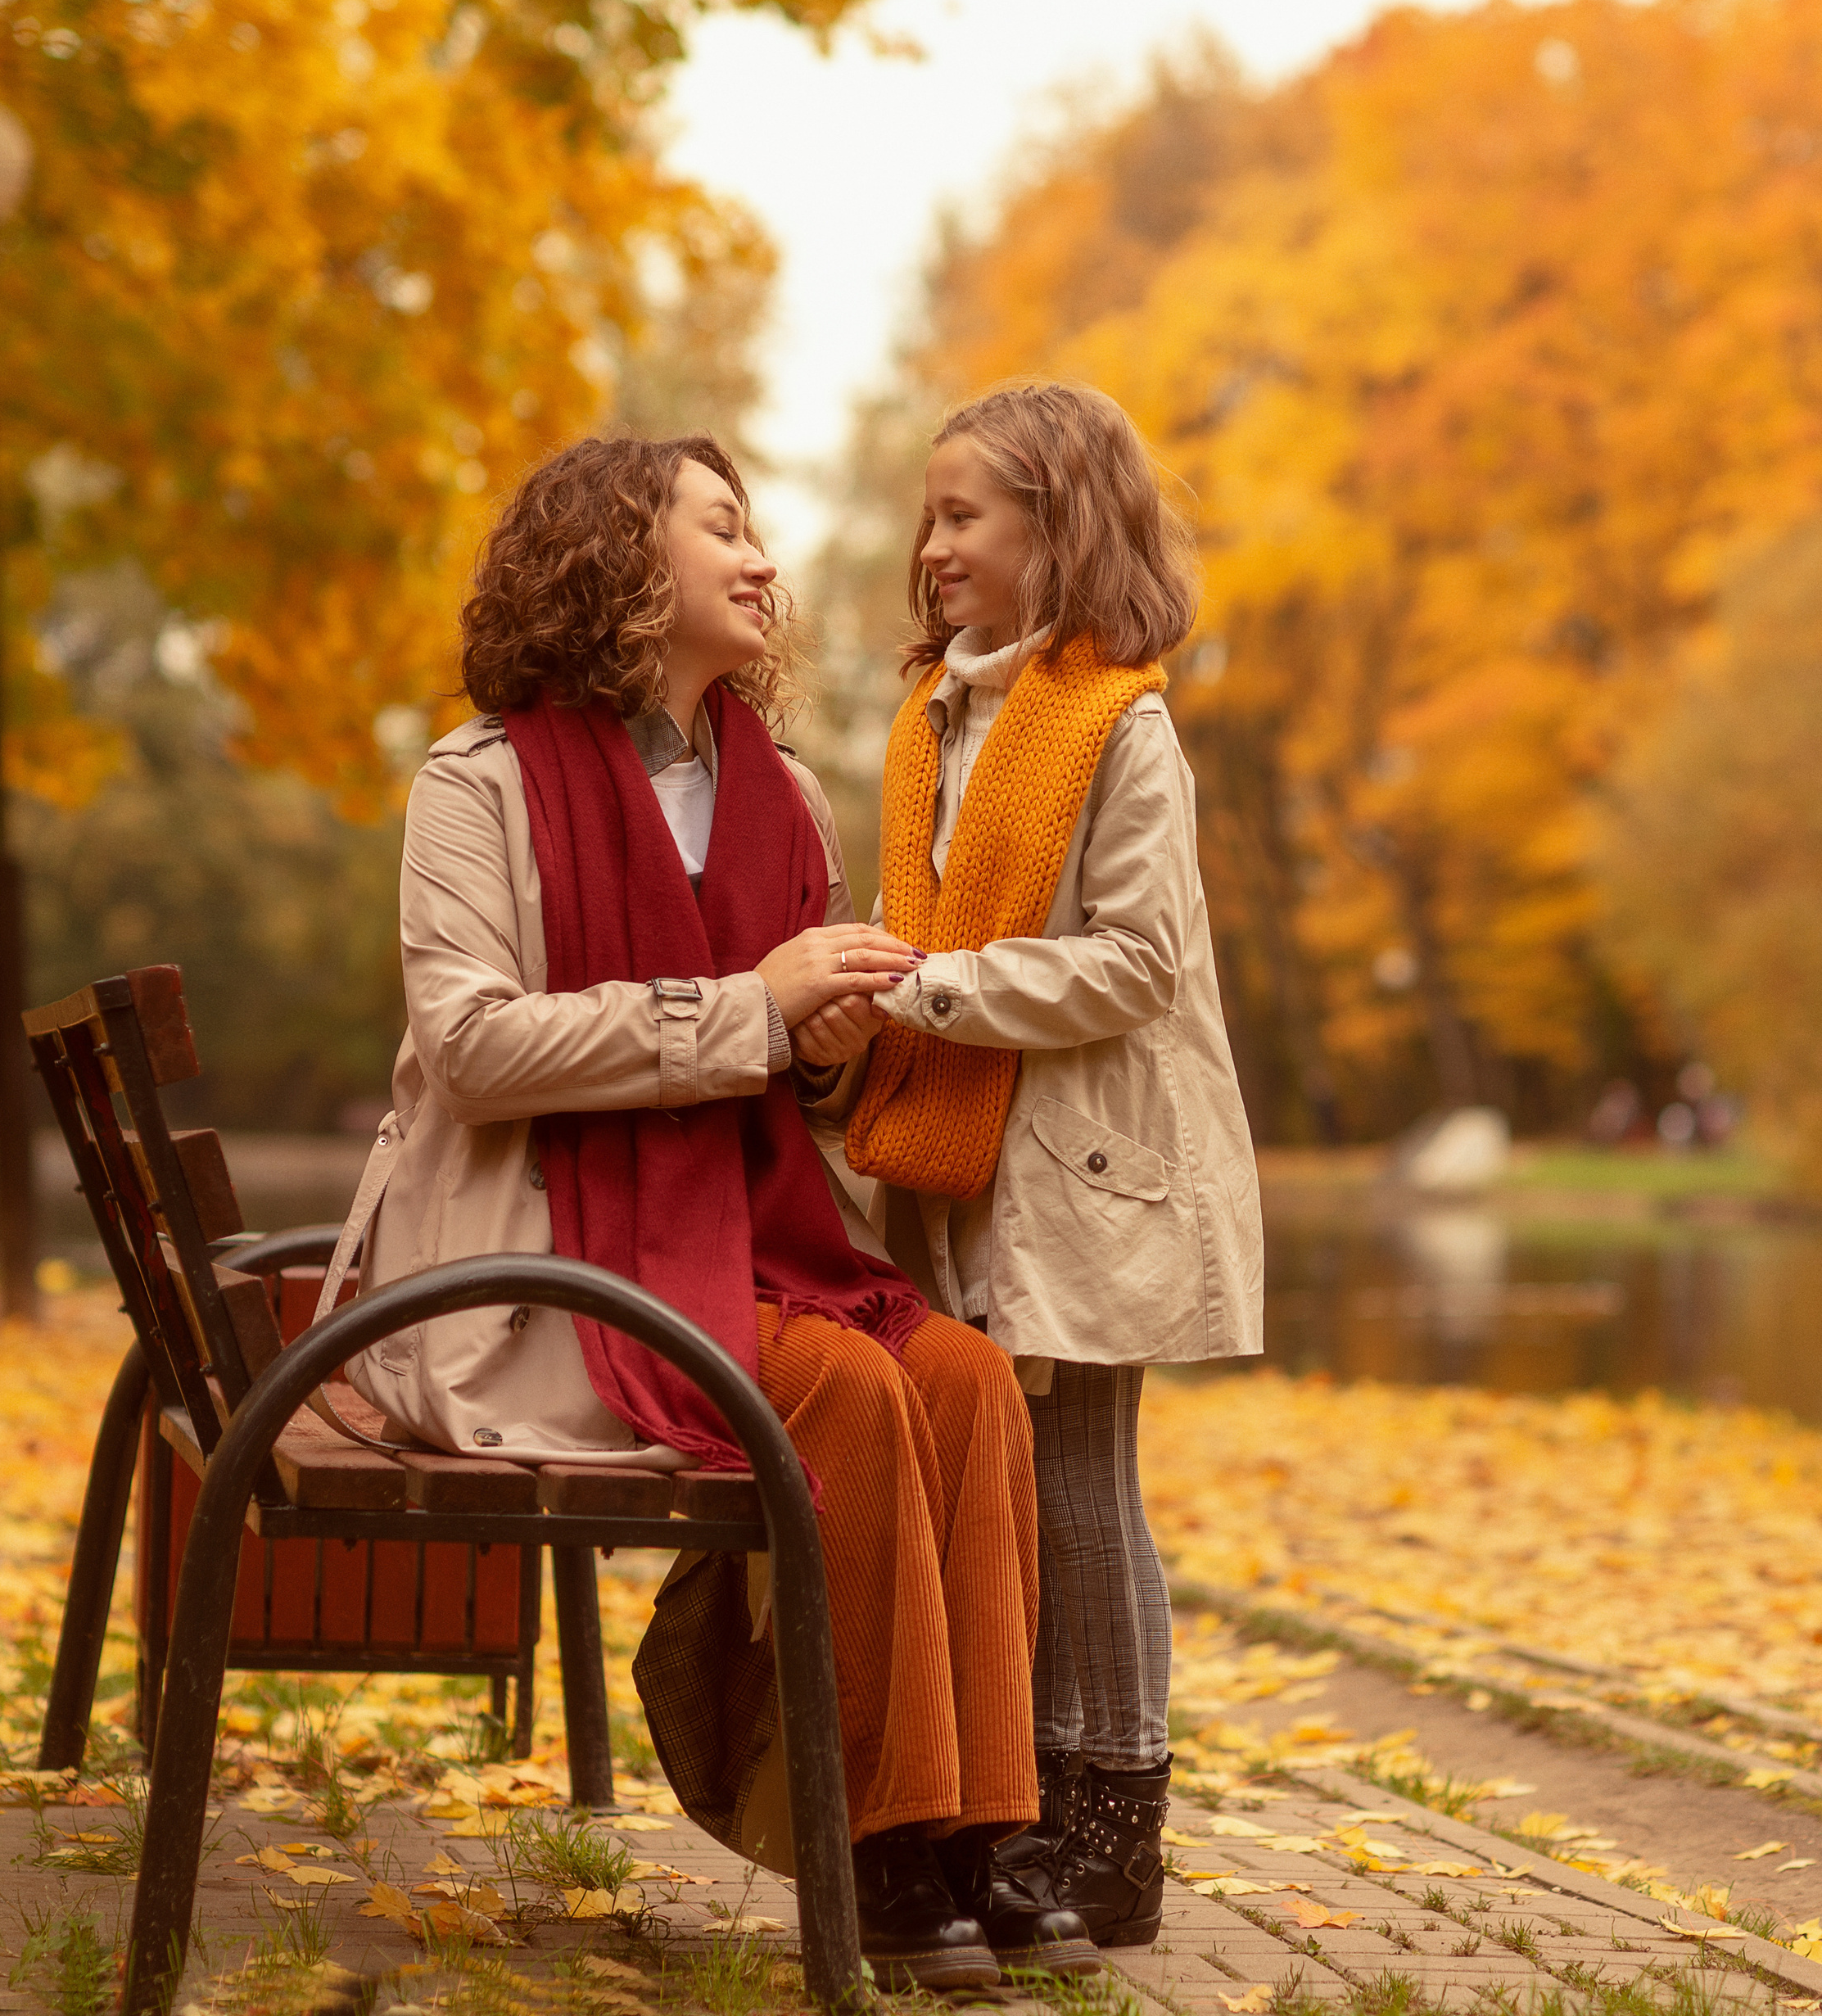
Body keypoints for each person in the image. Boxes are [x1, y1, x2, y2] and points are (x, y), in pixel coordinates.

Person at [314, 433, 1098, 1988]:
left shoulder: (784, 795)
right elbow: (473, 1050)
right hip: (542, 1268)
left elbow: (778, 1084)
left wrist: (819, 1045)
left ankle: (981, 1826)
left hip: (742, 1240)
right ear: (619, 562)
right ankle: (880, 1843)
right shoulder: (476, 787)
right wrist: (748, 1007)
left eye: (758, 532)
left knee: (964, 1379)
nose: (762, 561)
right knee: (858, 1396)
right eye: (722, 529)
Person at [795, 382, 1264, 1950]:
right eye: (927, 516)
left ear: (1058, 533)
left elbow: (1134, 961)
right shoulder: (938, 723)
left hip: (1094, 1162)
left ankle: (1112, 1835)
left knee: (1081, 1488)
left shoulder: (1121, 723)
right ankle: (1020, 1818)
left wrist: (924, 986)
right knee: (1011, 1486)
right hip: (969, 1154)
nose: (931, 546)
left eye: (963, 516)